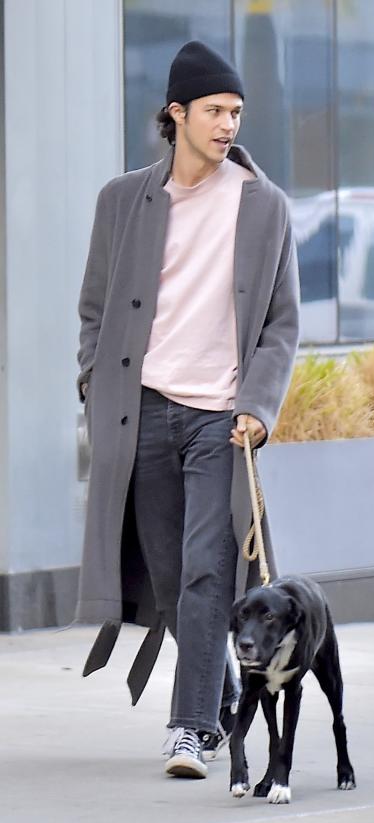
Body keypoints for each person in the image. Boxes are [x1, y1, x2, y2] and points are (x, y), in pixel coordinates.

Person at [75, 41, 299, 779]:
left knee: (209, 570)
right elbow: (96, 310)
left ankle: (190, 726)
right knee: (171, 581)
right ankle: (224, 697)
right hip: (140, 412)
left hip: (218, 417)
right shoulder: (123, 200)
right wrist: (93, 383)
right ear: (177, 114)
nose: (229, 124)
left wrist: (259, 405)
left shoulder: (265, 207)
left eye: (236, 112)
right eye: (214, 111)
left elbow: (280, 324)